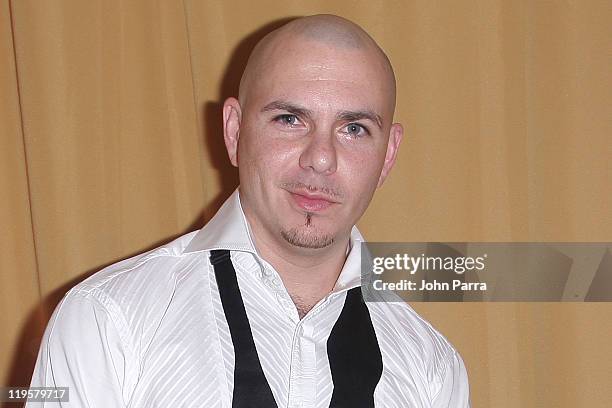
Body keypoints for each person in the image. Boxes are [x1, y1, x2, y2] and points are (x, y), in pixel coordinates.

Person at [28, 14, 470, 407]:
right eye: (290, 120)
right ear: (234, 130)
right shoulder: (106, 321)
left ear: (388, 154)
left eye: (354, 128)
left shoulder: (433, 369)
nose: (320, 157)